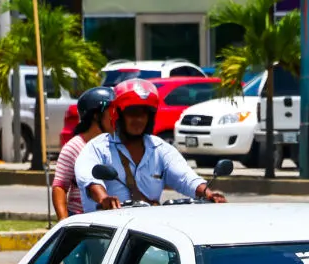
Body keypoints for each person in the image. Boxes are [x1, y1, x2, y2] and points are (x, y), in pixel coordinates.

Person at [75, 79, 226, 211]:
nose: (139, 119)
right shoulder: (96, 148)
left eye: (144, 114)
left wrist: (208, 193)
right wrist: (104, 199)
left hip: (146, 231)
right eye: (132, 113)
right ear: (119, 115)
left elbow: (185, 177)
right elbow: (89, 180)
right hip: (105, 233)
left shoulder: (160, 149)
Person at [52, 86, 115, 220]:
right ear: (96, 116)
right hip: (83, 219)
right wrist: (64, 223)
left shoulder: (116, 143)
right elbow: (60, 187)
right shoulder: (74, 147)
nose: (115, 117)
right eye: (111, 112)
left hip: (113, 217)